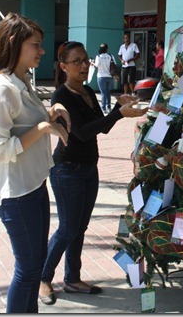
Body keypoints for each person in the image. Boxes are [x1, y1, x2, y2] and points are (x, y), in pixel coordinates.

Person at [39, 41, 148, 305]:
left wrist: (118, 109)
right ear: (63, 67)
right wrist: (118, 114)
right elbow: (82, 131)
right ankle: (43, 279)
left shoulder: (88, 92)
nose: (84, 66)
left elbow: (103, 127)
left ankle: (72, 279)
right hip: (67, 169)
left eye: (86, 60)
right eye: (76, 61)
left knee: (80, 228)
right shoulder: (61, 97)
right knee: (67, 229)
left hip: (89, 168)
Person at [0, 13, 71, 313]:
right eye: (36, 45)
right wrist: (44, 129)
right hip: (16, 194)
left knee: (35, 269)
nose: (42, 51)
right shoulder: (1, 88)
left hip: (34, 185)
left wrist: (52, 111)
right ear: (13, 44)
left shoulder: (21, 80)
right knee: (28, 270)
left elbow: (27, 124)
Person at [92, 43, 117, 114]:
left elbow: (96, 65)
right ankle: (108, 107)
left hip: (101, 77)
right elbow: (114, 64)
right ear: (106, 49)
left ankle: (103, 108)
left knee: (103, 93)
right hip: (109, 76)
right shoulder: (110, 56)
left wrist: (92, 63)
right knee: (108, 92)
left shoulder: (98, 56)